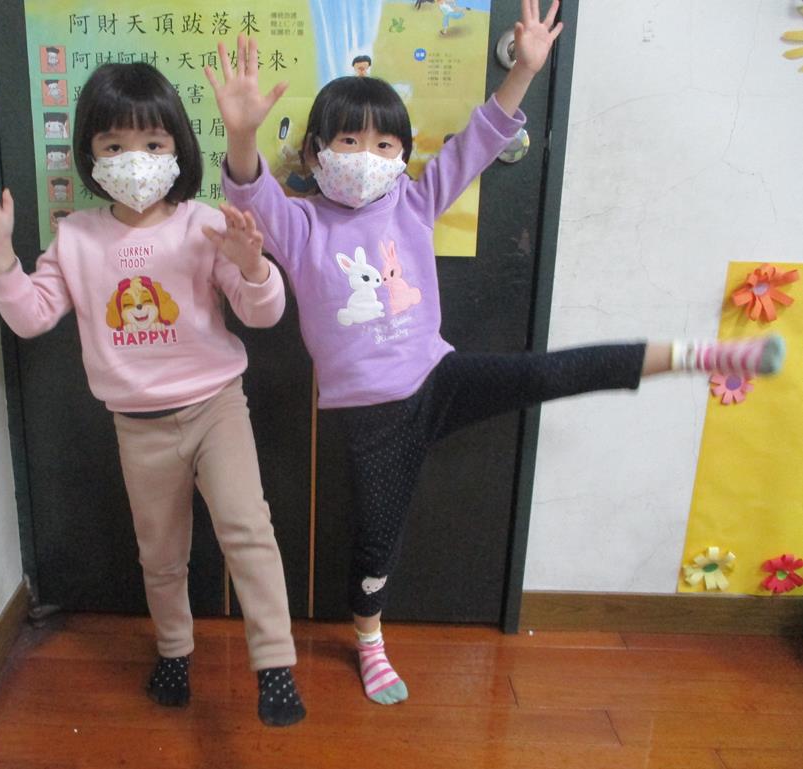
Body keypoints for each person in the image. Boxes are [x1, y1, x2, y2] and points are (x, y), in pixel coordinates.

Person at [205, 2, 786, 706]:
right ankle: (370, 637)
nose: (366, 157)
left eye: (384, 145)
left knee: (553, 371)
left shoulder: (413, 203)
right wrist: (242, 133)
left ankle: (698, 355)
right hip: (369, 417)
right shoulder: (299, 227)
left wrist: (524, 72)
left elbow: (477, 142)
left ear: (402, 156)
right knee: (375, 541)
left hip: (439, 376)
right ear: (315, 153)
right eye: (349, 141)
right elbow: (251, 190)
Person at [0, 61, 306, 727]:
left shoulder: (204, 223)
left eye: (152, 142)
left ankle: (274, 663)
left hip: (216, 407)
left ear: (177, 146)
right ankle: (174, 650)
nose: (134, 159)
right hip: (137, 424)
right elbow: (31, 316)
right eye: (113, 145)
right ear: (90, 154)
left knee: (246, 529)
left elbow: (264, 314)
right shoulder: (76, 237)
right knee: (161, 554)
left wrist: (253, 264)